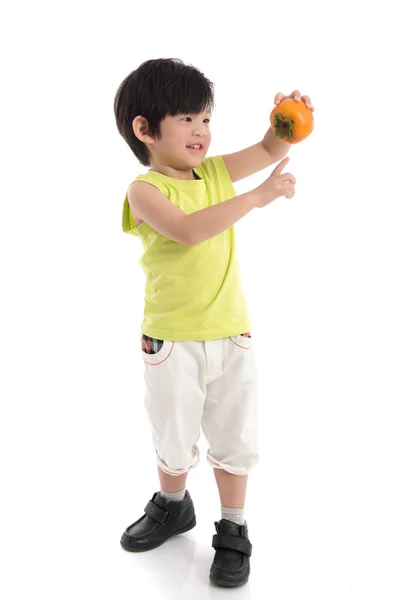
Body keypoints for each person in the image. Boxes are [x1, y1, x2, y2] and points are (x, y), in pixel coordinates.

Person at [114, 57, 314, 588]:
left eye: (205, 117)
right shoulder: (146, 191)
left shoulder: (217, 172)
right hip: (172, 341)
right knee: (173, 436)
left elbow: (270, 150)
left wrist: (286, 123)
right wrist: (257, 196)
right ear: (145, 130)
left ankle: (233, 525)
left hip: (232, 333)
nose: (201, 130)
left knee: (234, 436)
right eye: (186, 118)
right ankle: (174, 503)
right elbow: (187, 230)